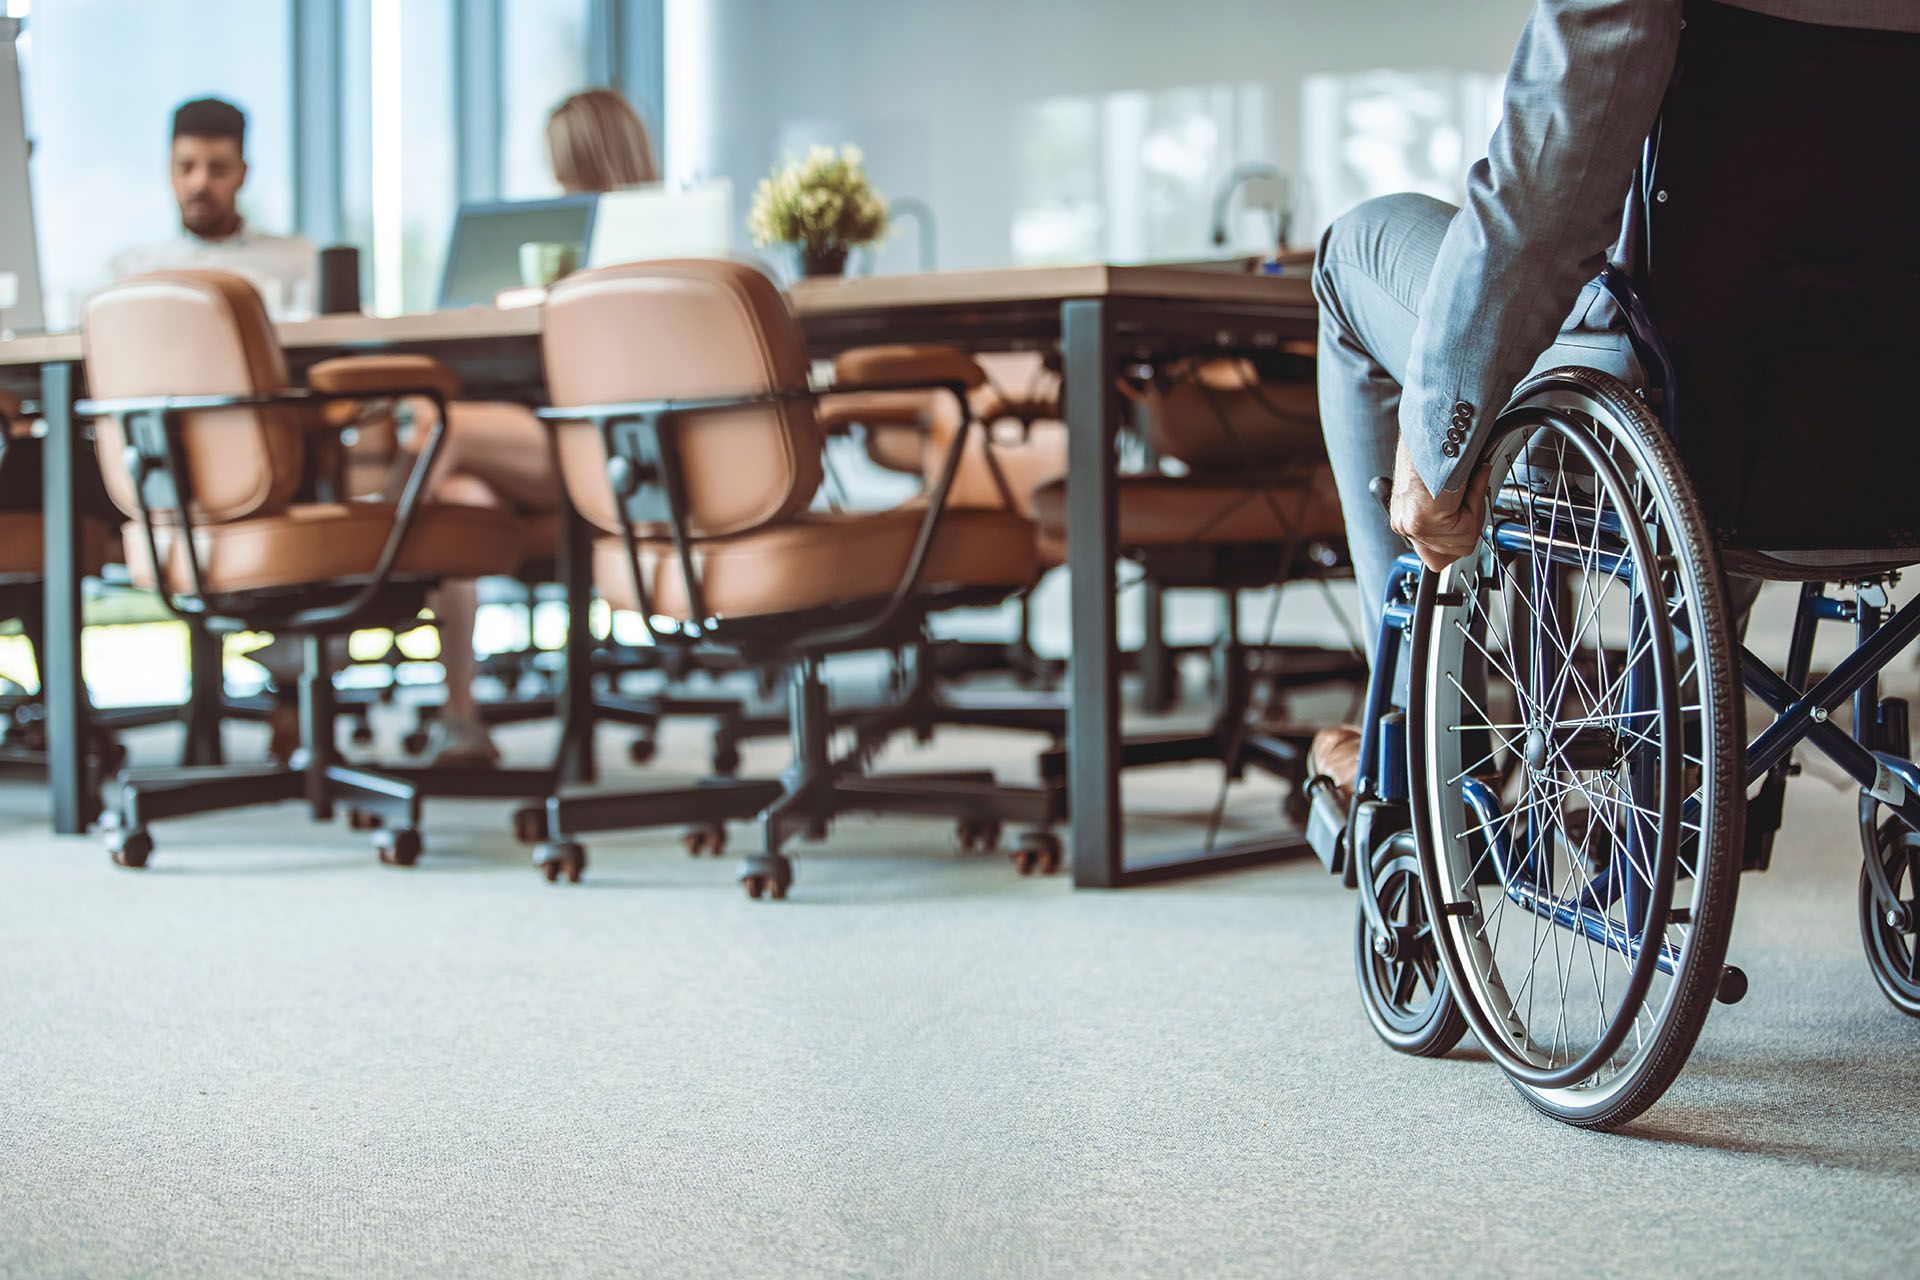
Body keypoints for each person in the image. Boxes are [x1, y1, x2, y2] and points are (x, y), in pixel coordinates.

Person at [1304, 0, 1920, 798]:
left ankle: (1417, 740)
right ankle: (1678, 727)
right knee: (1748, 346)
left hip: (1682, 405)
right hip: (1872, 425)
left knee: (1356, 248)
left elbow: (1546, 201)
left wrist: (1436, 439)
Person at [422, 87, 661, 763]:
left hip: (604, 452)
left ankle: (359, 576)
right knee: (459, 497)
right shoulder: (555, 245)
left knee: (443, 429)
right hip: (529, 450)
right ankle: (459, 713)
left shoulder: (643, 243)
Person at [108, 98, 315, 319]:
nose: (200, 183)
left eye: (218, 169)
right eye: (186, 168)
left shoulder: (299, 262)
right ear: (169, 171)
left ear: (243, 174)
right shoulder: (126, 272)